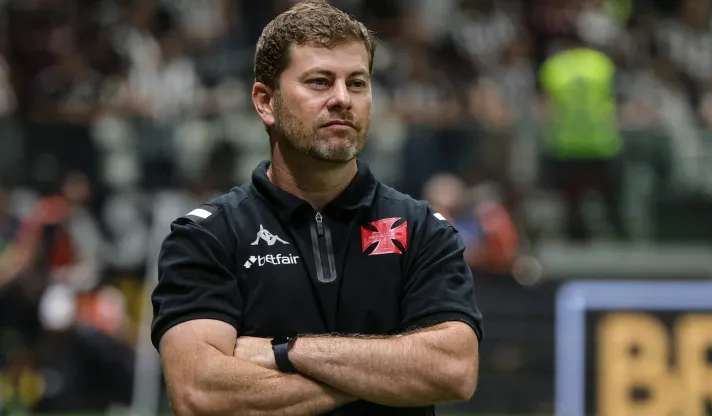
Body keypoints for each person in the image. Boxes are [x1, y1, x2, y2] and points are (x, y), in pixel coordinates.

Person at [150, 1, 483, 415]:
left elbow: (453, 370)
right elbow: (200, 395)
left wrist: (286, 351)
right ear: (265, 102)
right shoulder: (206, 238)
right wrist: (385, 376)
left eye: (357, 83)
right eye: (320, 82)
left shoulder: (423, 230)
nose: (343, 99)